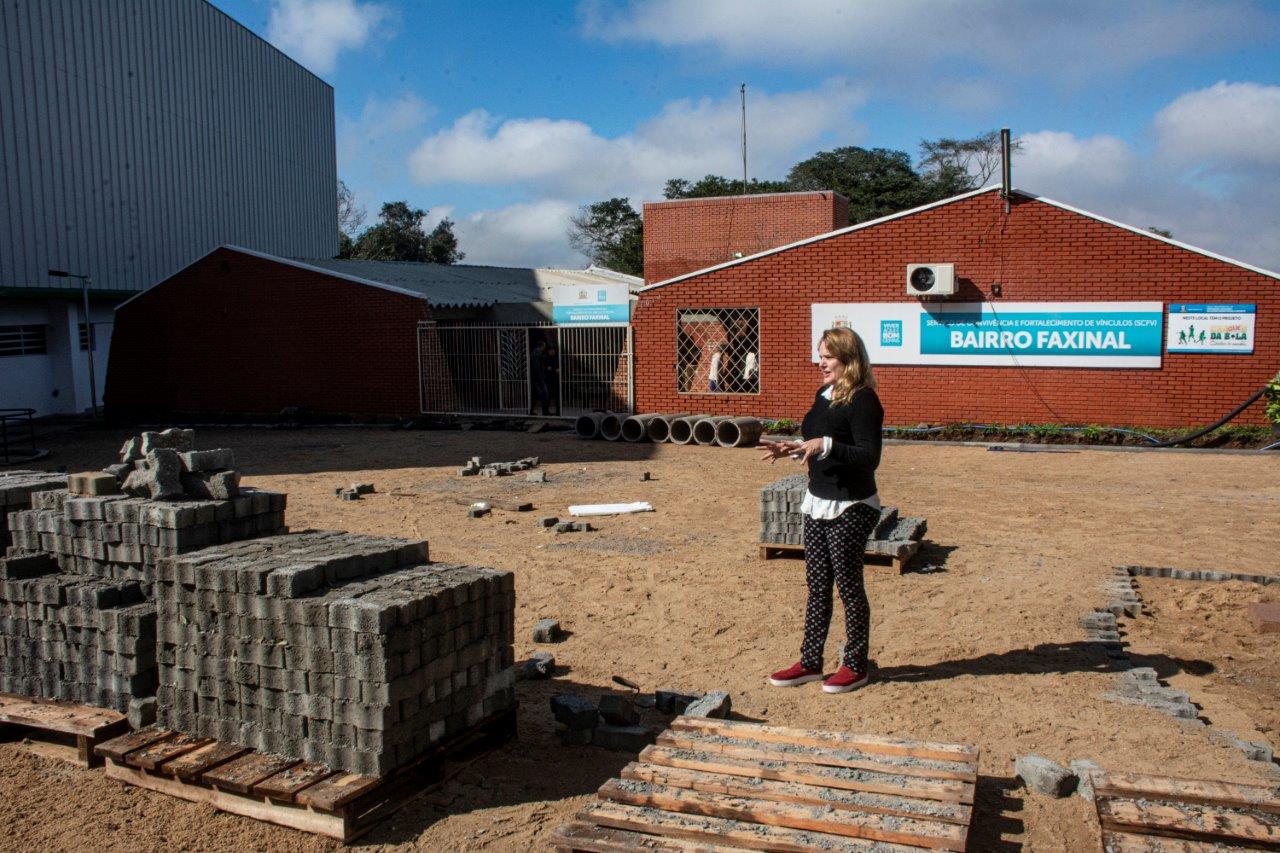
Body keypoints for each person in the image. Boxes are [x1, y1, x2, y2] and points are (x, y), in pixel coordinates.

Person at [759, 327, 884, 693]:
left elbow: (869, 456)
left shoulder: (864, 400)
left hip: (851, 505)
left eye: (827, 356)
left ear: (848, 360)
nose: (821, 362)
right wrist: (794, 448)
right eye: (820, 355)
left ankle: (856, 666)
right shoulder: (823, 394)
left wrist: (825, 444)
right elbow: (818, 440)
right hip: (817, 500)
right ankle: (810, 663)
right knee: (817, 587)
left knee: (848, 587)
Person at [529, 339, 550, 416]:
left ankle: (531, 411)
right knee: (545, 394)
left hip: (535, 378)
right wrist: (540, 377)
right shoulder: (537, 353)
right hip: (538, 378)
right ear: (542, 346)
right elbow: (536, 367)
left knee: (534, 395)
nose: (544, 348)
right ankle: (545, 412)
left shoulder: (535, 353)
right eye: (544, 346)